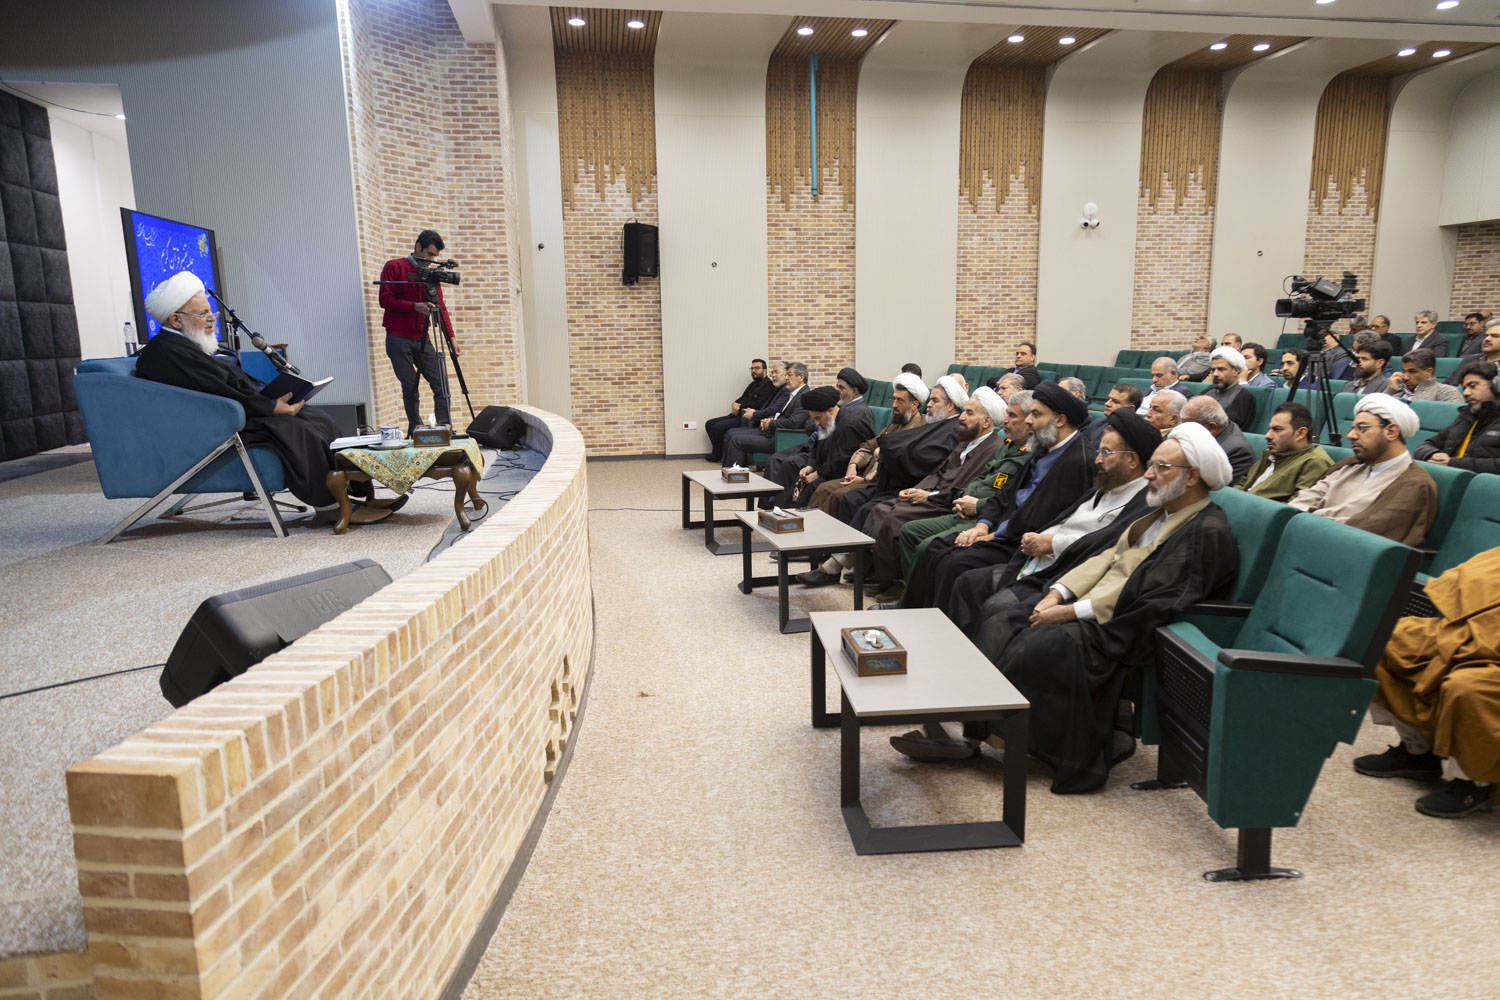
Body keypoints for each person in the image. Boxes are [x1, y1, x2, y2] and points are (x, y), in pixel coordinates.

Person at [892, 421, 1240, 794]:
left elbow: (1152, 596)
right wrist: (1058, 592)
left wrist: (1070, 612)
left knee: (1033, 642)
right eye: (1151, 465)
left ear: (1193, 477)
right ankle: (965, 724)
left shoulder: (1205, 531)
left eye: (1161, 468)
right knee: (1010, 614)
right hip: (1098, 606)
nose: (1150, 475)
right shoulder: (1160, 511)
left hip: (1126, 627)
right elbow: (1107, 557)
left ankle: (996, 733)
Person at [133, 271, 359, 521]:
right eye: (203, 314)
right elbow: (217, 389)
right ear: (176, 320)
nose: (211, 320)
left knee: (317, 417)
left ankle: (350, 493)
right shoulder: (167, 351)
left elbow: (228, 384)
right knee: (299, 430)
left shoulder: (189, 345)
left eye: (212, 313)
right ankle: (330, 508)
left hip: (234, 412)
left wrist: (273, 399)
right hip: (216, 423)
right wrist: (270, 406)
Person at [937, 410, 1158, 651]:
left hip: (1066, 574)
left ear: (1132, 461)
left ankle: (977, 667)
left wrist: (1052, 542)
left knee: (998, 609)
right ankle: (952, 651)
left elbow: (1105, 545)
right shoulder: (1108, 483)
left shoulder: (1141, 502)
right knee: (968, 582)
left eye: (1106, 452)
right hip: (1039, 560)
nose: (1097, 459)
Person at [898, 382, 1095, 612]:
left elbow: (1041, 517)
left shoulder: (1079, 461)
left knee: (953, 562)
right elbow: (1005, 494)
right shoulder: (1044, 446)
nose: (1028, 421)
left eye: (1036, 414)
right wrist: (982, 525)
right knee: (936, 549)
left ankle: (941, 623)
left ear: (1060, 420)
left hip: (1023, 542)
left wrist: (993, 535)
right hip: (1002, 528)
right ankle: (918, 611)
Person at [804, 388, 1005, 590]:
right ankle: (863, 571)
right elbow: (938, 472)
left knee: (892, 517)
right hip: (930, 495)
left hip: (945, 503)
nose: (961, 417)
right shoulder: (966, 442)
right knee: (879, 509)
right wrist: (916, 490)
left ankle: (887, 581)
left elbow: (967, 487)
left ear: (986, 421)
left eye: (969, 413)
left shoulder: (993, 448)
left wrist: (929, 494)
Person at [1354, 547, 1500, 818]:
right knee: (1385, 641)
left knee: (1468, 687)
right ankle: (1418, 750)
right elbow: (1473, 574)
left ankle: (1473, 783)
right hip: (1467, 631)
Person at [890, 392, 1034, 599]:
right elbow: (982, 477)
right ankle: (914, 595)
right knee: (909, 530)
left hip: (985, 517)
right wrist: (967, 497)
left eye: (1012, 416)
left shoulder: (1028, 453)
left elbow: (1011, 498)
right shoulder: (1008, 445)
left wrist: (977, 505)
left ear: (1029, 421)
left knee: (927, 547)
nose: (1004, 420)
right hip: (963, 508)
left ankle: (914, 602)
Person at [1287, 394, 1437, 545]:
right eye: (1352, 428)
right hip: (1302, 535)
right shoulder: (1350, 466)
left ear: (1391, 432)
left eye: (1362, 428)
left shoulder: (1415, 485)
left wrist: (1301, 521)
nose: (1350, 435)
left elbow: (1366, 532)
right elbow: (1305, 499)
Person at [807, 373, 927, 517]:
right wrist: (853, 465)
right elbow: (869, 446)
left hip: (879, 482)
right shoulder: (894, 425)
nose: (894, 405)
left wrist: (864, 479)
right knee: (823, 489)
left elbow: (897, 464)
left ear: (914, 404)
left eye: (900, 400)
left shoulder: (920, 430)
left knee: (840, 496)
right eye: (893, 399)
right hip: (863, 474)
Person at [380, 230, 458, 432]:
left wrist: (451, 337)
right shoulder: (394, 266)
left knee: (441, 383)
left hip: (423, 336)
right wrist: (414, 306)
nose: (431, 260)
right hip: (398, 338)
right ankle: (416, 429)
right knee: (410, 388)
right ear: (418, 247)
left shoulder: (432, 274)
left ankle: (444, 428)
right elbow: (385, 299)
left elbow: (440, 306)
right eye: (429, 254)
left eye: (434, 256)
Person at [761, 385, 873, 509]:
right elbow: (816, 449)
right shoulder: (828, 422)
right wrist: (810, 466)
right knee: (795, 477)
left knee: (812, 487)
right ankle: (779, 510)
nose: (817, 423)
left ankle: (795, 515)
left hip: (843, 473)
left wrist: (817, 473)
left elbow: (842, 460)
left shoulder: (850, 424)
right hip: (827, 469)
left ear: (830, 410)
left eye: (818, 418)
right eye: (814, 419)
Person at [1232, 402, 1334, 502]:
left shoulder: (1315, 463)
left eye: (1277, 429)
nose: (1267, 435)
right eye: (1269, 429)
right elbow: (1244, 482)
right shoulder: (1272, 453)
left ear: (1300, 433)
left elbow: (1296, 507)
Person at [1414, 360, 1500, 474]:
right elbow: (1426, 445)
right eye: (1464, 388)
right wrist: (1432, 454)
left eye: (1472, 386)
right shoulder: (1466, 417)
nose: (1466, 393)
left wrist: (1452, 463)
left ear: (1496, 386)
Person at [721, 362, 807, 468]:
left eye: (789, 375)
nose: (786, 378)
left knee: (736, 440)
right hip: (773, 432)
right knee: (731, 435)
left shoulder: (804, 396)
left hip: (781, 437)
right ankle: (732, 473)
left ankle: (735, 475)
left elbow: (794, 422)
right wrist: (769, 419)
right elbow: (779, 413)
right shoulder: (792, 393)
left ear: (801, 377)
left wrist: (770, 423)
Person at [703, 359, 775, 462]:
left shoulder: (768, 386)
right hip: (737, 415)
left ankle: (717, 455)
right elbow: (742, 398)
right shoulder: (752, 385)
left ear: (765, 370)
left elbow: (758, 405)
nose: (753, 371)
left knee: (717, 428)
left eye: (757, 368)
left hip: (747, 418)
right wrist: (735, 403)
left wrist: (739, 407)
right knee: (709, 423)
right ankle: (720, 452)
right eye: (752, 368)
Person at [1181, 395, 1254, 481]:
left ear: (1210, 428)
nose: (1184, 432)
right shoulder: (1223, 428)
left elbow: (1217, 488)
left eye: (1189, 428)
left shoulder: (1237, 452)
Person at [1202, 347, 1256, 430]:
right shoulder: (1208, 391)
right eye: (1213, 370)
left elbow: (1231, 430)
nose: (1215, 374)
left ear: (1236, 370)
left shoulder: (1244, 397)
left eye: (1221, 369)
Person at [1387, 348, 1463, 403]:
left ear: (1429, 372)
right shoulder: (1397, 390)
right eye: (1404, 371)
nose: (1406, 377)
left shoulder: (1446, 392)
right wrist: (1390, 390)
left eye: (1412, 372)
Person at [1089, 383, 1142, 448]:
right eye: (1108, 399)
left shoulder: (1135, 435)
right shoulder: (1096, 423)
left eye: (1115, 401)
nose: (1107, 404)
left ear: (1131, 409)